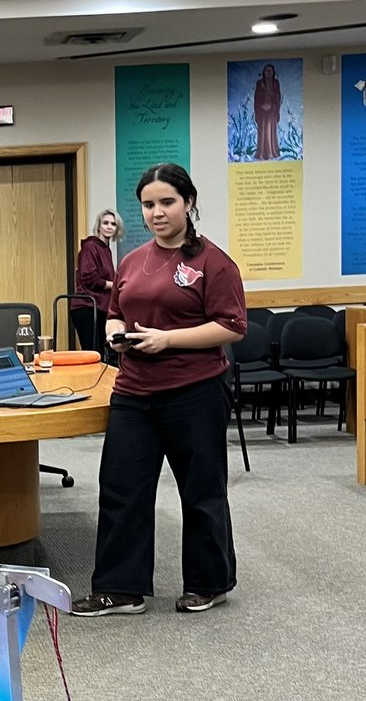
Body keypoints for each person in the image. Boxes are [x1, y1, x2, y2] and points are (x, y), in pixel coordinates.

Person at [71, 163, 246, 618]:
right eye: (149, 204)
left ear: (188, 203)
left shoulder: (214, 262)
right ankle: (120, 588)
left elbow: (231, 326)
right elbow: (115, 309)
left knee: (201, 489)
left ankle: (210, 582)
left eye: (167, 202)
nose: (157, 212)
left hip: (193, 390)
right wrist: (114, 331)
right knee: (120, 488)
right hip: (134, 391)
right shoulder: (131, 260)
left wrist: (167, 339)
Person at [70, 209, 122, 354]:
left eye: (113, 224)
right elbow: (89, 279)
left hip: (98, 307)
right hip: (87, 306)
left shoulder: (105, 249)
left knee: (100, 353)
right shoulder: (91, 246)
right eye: (105, 223)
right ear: (98, 226)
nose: (109, 226)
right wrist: (115, 285)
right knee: (93, 354)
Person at [254, 64, 282, 160]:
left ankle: (271, 152)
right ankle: (261, 153)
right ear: (263, 72)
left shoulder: (276, 83)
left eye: (270, 71)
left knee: (271, 131)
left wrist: (273, 107)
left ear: (273, 72)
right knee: (262, 131)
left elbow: (278, 97)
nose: (268, 73)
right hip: (261, 111)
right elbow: (256, 98)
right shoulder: (259, 83)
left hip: (272, 111)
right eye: (266, 70)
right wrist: (260, 107)